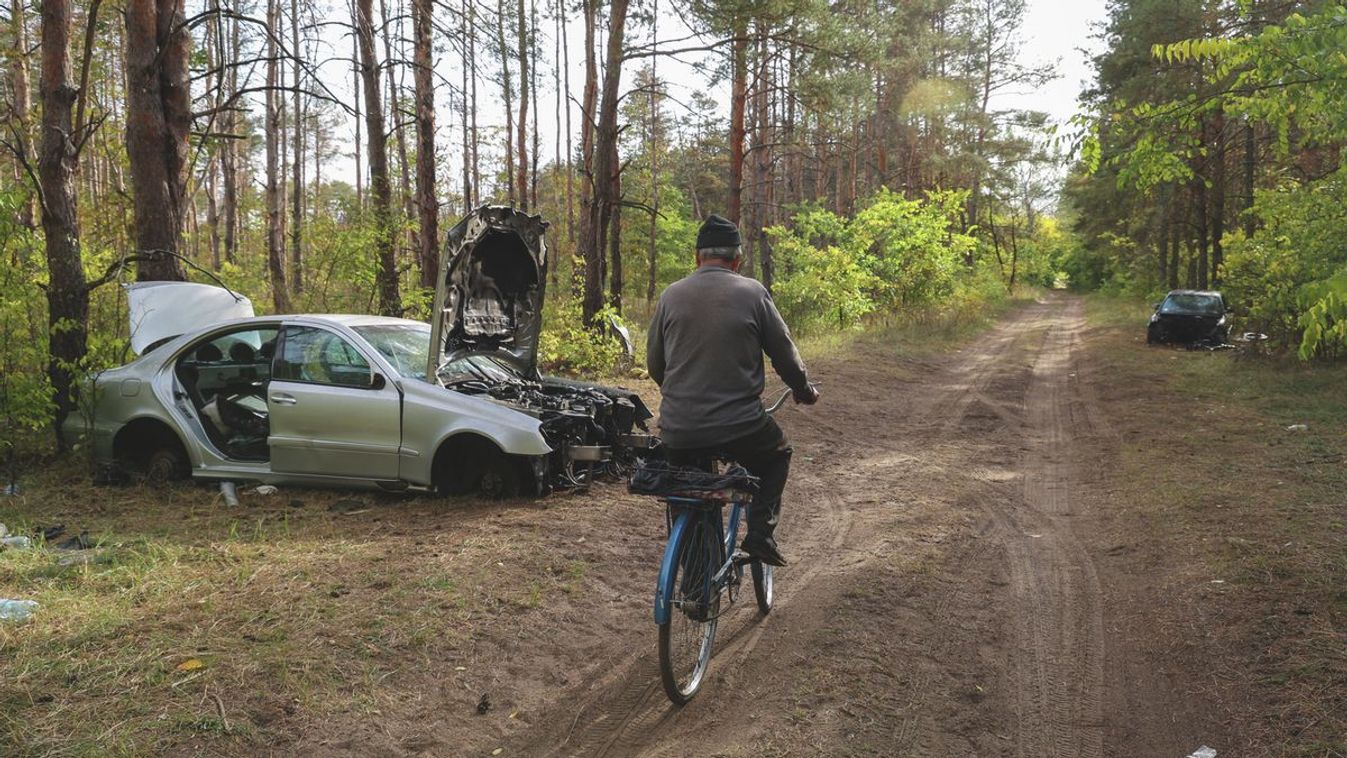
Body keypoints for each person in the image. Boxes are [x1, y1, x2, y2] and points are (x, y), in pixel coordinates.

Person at [646, 214, 818, 567]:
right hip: (741, 426)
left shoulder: (670, 295)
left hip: (679, 428)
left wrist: (681, 394)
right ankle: (759, 536)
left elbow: (655, 365)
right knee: (776, 456)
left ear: (697, 257)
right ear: (737, 259)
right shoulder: (752, 292)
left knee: (686, 488)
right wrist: (803, 389)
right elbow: (785, 356)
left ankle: (693, 582)